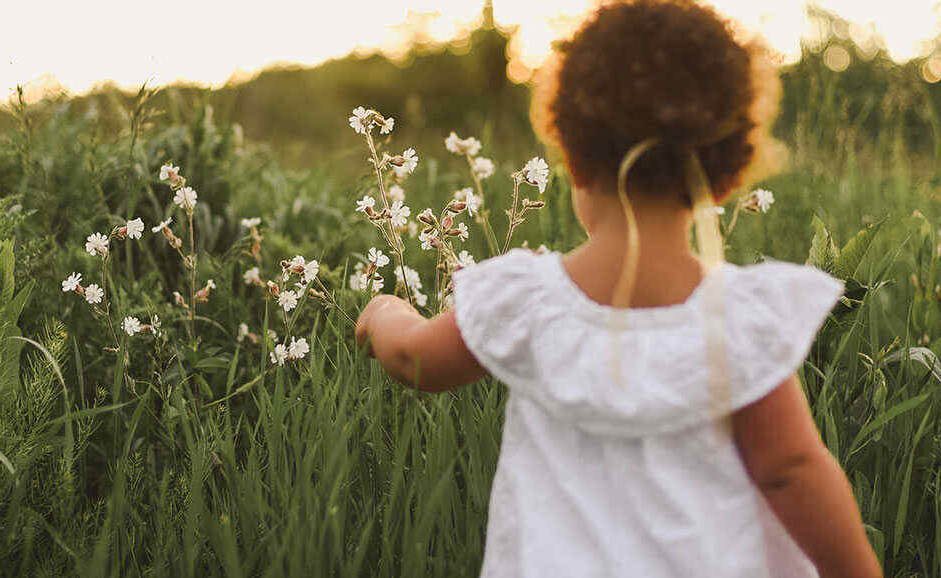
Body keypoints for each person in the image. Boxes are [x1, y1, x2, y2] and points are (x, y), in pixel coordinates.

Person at [353, 1, 884, 576]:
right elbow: (793, 468)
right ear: (723, 173)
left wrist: (383, 312)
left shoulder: (527, 298)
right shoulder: (736, 319)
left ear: (573, 154)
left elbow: (417, 360)